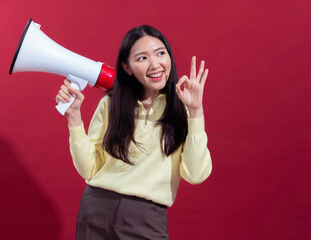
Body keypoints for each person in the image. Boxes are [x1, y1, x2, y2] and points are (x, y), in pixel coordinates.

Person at [56, 25, 212, 240]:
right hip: (96, 209)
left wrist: (195, 111)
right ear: (127, 67)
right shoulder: (111, 105)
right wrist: (74, 117)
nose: (155, 64)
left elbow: (196, 174)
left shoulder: (183, 110)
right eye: (142, 58)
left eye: (160, 53)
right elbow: (89, 169)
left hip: (147, 218)